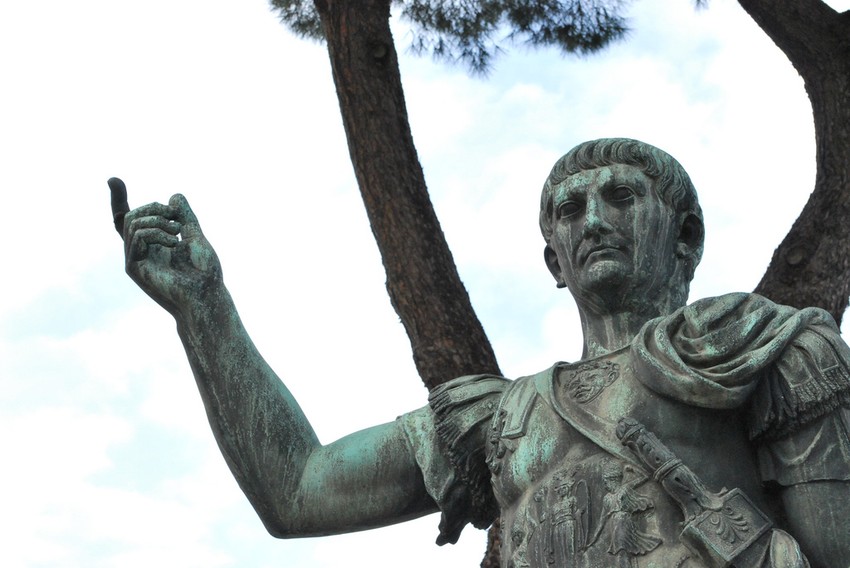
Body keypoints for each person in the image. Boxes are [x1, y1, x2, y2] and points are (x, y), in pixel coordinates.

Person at [113, 138, 850, 567]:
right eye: (571, 210)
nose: (594, 220)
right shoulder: (499, 418)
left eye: (622, 197)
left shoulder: (767, 350)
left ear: (685, 235)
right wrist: (204, 311)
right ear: (554, 261)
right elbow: (299, 491)